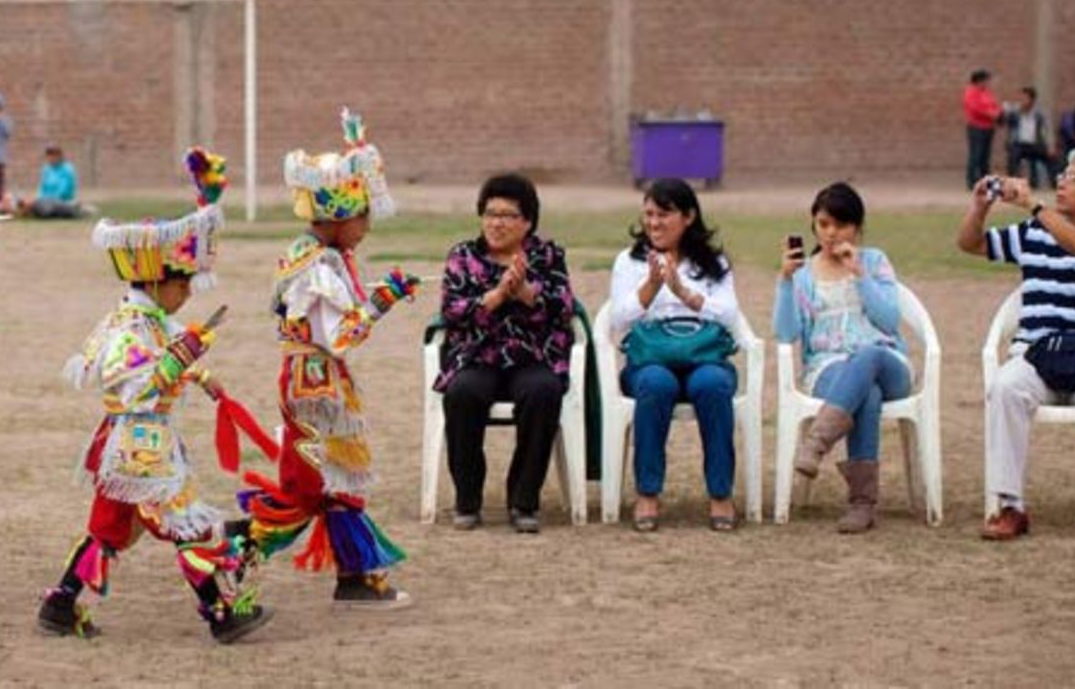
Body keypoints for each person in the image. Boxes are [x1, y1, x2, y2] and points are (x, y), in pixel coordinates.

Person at [36, 149, 272, 645]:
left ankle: (62, 601)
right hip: (140, 445)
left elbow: (169, 351)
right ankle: (221, 612)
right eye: (180, 283)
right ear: (154, 281)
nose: (186, 293)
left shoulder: (148, 320)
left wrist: (200, 373)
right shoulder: (128, 326)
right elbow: (131, 381)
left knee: (107, 529)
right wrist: (181, 358)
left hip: (127, 446)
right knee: (186, 527)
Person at [239, 108, 419, 607]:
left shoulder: (317, 256)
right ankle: (237, 552)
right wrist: (383, 303)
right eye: (361, 217)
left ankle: (356, 576)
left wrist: (381, 293)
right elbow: (341, 333)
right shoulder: (317, 267)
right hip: (314, 387)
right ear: (339, 217)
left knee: (336, 478)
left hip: (316, 381)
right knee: (311, 485)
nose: (366, 227)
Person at [958, 147, 1075, 544]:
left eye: (1072, 177)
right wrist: (979, 207)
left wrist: (1033, 204)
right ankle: (1011, 506)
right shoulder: (1034, 234)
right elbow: (970, 244)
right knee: (1006, 387)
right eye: (1061, 175)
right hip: (1037, 352)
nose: (1061, 181)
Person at [434, 172, 575, 533]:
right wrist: (496, 296)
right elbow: (451, 311)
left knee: (543, 392)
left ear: (527, 221)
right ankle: (467, 499)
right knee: (463, 394)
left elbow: (563, 308)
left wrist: (526, 292)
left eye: (507, 215)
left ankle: (523, 501)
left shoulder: (548, 255)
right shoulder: (463, 256)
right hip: (477, 354)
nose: (496, 222)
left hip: (532, 355)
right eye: (490, 213)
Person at [773, 182, 911, 533]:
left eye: (841, 224)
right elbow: (786, 333)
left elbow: (889, 320)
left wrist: (859, 275)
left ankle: (817, 444)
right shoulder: (803, 275)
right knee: (867, 393)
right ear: (813, 225)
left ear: (857, 227)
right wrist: (785, 282)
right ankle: (862, 504)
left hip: (887, 361)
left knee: (868, 356)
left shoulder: (875, 262)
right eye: (823, 224)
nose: (832, 233)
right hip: (828, 367)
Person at [606, 177, 742, 532]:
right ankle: (648, 493)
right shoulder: (630, 261)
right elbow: (618, 319)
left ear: (689, 216)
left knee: (713, 385)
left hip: (705, 357)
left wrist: (685, 293)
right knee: (655, 384)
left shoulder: (714, 263)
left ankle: (720, 493)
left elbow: (730, 316)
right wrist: (650, 287)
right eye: (649, 214)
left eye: (664, 214)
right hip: (650, 359)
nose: (654, 223)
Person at [1004, 86, 1054, 188]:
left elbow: (1047, 130)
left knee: (1052, 158)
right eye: (1020, 98)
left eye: (1025, 98)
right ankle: (1012, 185)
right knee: (1013, 156)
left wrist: (1050, 145)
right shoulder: (1015, 113)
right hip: (1019, 144)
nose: (1022, 101)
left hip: (1035, 143)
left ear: (1032, 100)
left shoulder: (1039, 114)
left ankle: (1054, 184)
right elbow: (1007, 125)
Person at [21, 144, 83, 218]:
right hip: (46, 202)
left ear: (59, 156)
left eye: (53, 156)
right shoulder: (47, 169)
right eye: (49, 156)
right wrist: (41, 200)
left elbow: (64, 191)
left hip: (62, 201)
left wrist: (47, 200)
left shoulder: (67, 170)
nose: (51, 159)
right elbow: (42, 189)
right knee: (36, 204)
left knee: (46, 208)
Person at [964, 68, 1002, 188]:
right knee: (976, 155)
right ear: (979, 81)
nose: (987, 83)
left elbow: (995, 104)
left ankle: (985, 181)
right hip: (976, 128)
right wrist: (991, 113)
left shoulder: (986, 93)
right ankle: (972, 181)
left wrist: (998, 112)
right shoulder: (971, 92)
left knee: (985, 156)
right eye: (985, 80)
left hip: (988, 127)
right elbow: (975, 108)